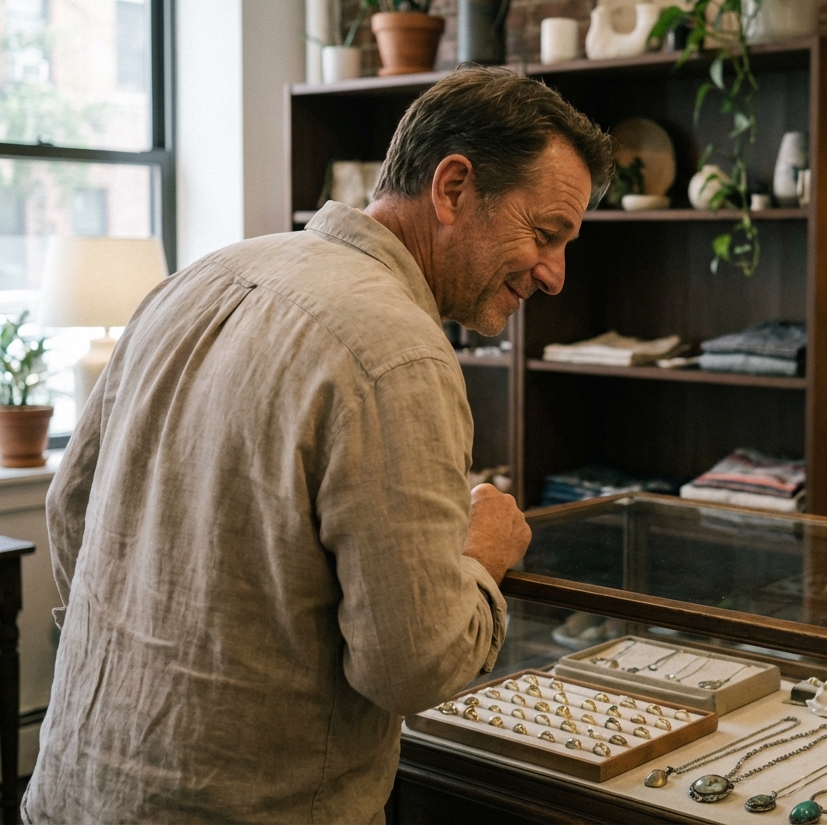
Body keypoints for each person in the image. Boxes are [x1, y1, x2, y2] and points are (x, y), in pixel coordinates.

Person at [22, 67, 613, 824]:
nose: (556, 275)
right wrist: (482, 558)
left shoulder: (197, 279)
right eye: (546, 233)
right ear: (454, 188)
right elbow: (412, 666)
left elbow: (69, 507)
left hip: (72, 789)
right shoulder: (400, 351)